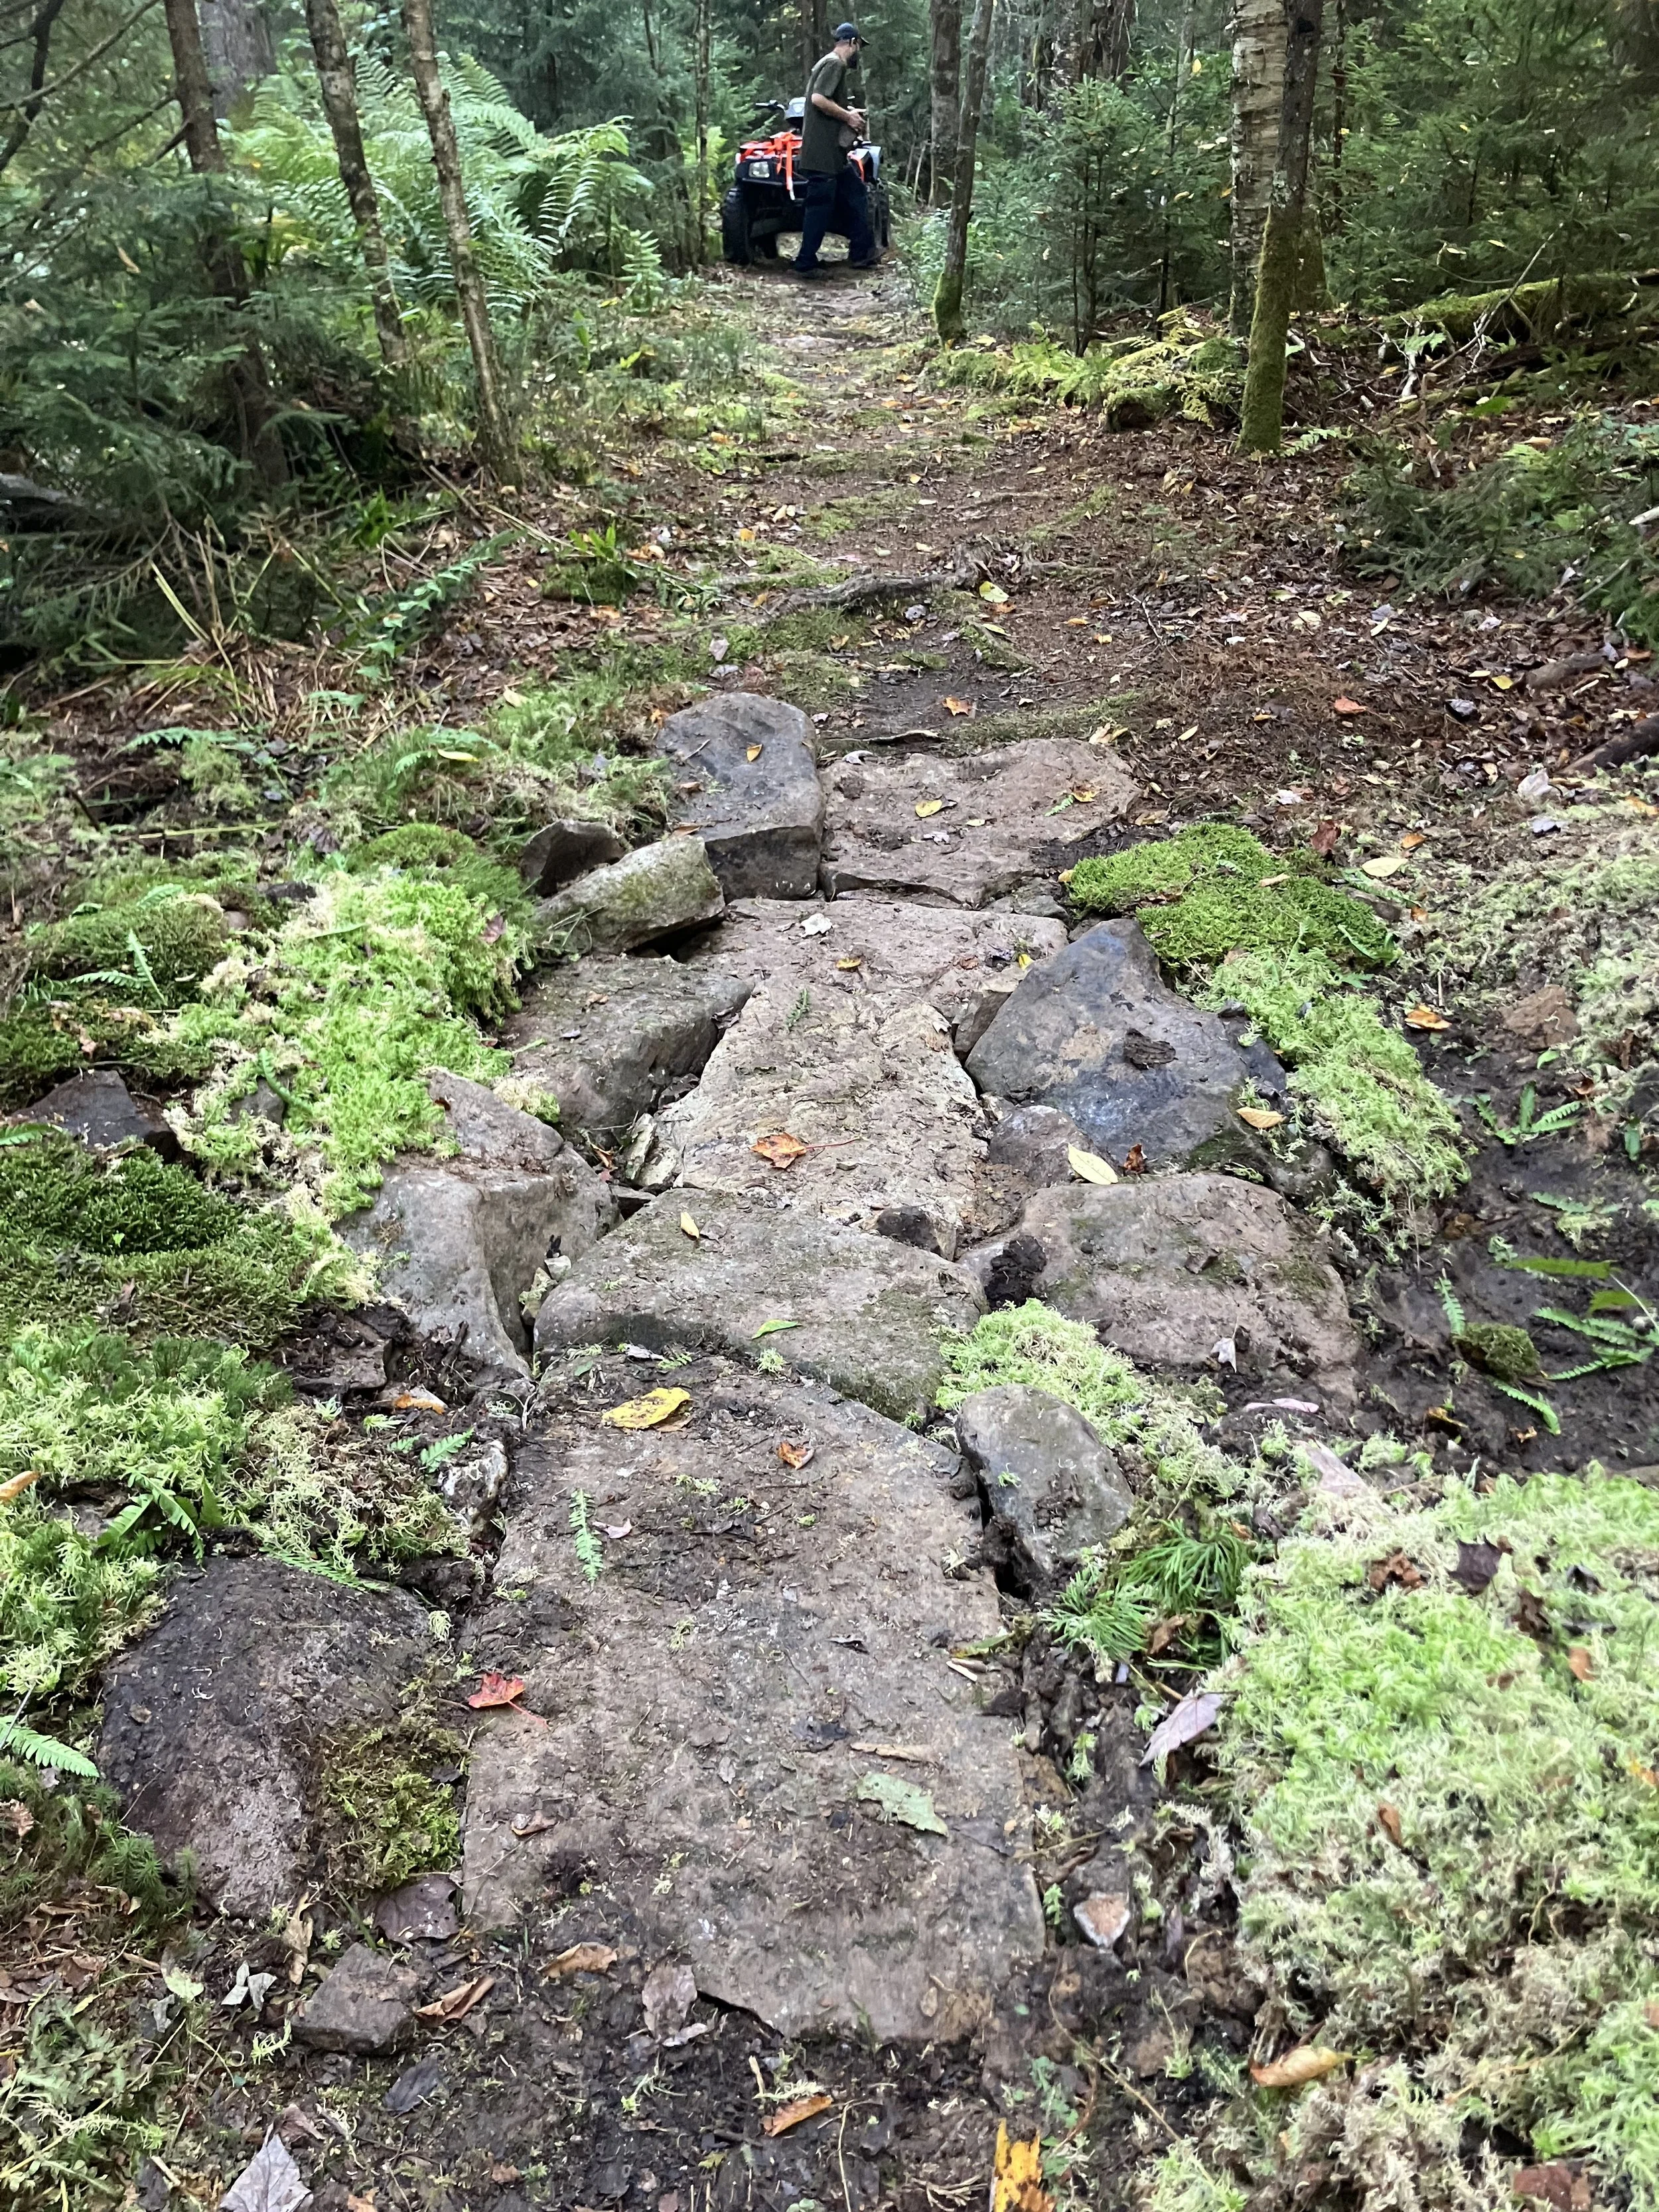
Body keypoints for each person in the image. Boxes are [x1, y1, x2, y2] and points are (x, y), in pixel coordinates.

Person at [792, 22, 881, 277]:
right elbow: (818, 99)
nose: (857, 54)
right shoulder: (836, 64)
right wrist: (848, 118)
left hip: (832, 157)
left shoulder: (825, 62)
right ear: (851, 42)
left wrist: (848, 111)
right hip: (822, 155)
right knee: (819, 206)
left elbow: (824, 101)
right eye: (858, 47)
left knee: (856, 194)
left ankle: (862, 254)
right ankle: (805, 263)